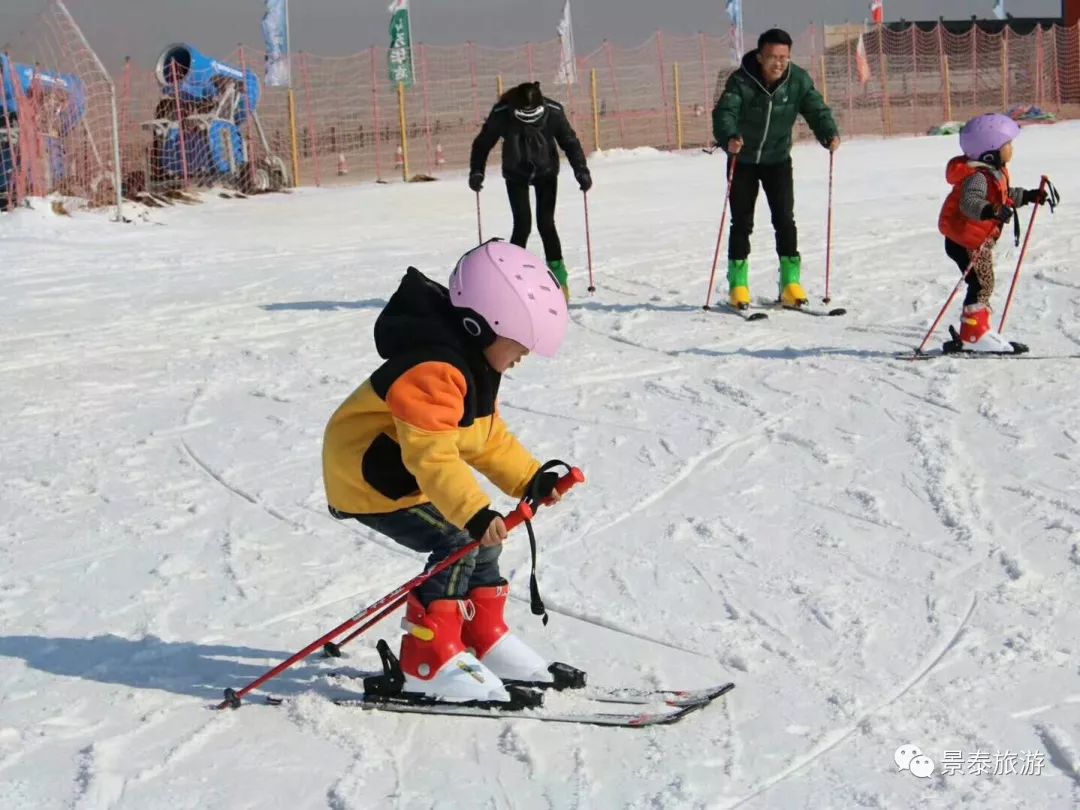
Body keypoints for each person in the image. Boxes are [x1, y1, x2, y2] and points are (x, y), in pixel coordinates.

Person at [321, 239, 570, 702]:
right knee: (458, 537)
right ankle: (427, 658)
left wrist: (531, 478)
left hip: (407, 476)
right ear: (482, 325)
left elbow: (484, 438)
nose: (524, 356)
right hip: (368, 480)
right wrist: (472, 512)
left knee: (479, 530)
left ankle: (481, 637)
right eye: (520, 343)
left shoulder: (470, 365)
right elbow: (431, 455)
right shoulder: (432, 371)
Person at [711, 28, 840, 310]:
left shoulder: (798, 81)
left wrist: (828, 133)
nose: (779, 63)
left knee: (784, 219)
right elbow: (725, 113)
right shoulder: (741, 81)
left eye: (784, 57)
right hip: (742, 160)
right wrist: (729, 137)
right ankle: (738, 284)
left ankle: (790, 283)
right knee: (742, 222)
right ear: (760, 56)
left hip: (777, 160)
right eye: (772, 56)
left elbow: (816, 109)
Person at [469, 81, 591, 302]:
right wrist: (477, 171)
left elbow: (569, 141)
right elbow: (483, 143)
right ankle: (513, 279)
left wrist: (581, 170)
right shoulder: (502, 114)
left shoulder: (553, 112)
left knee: (546, 223)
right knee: (522, 224)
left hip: (546, 173)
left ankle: (559, 278)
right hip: (516, 174)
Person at [937, 113, 1048, 353]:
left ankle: (977, 331)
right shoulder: (978, 177)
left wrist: (1028, 196)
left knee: (982, 283)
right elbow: (970, 203)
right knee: (982, 283)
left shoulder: (993, 173)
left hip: (974, 239)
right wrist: (991, 210)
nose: (1011, 149)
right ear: (990, 153)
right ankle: (974, 336)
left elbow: (1004, 197)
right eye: (1007, 145)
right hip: (965, 240)